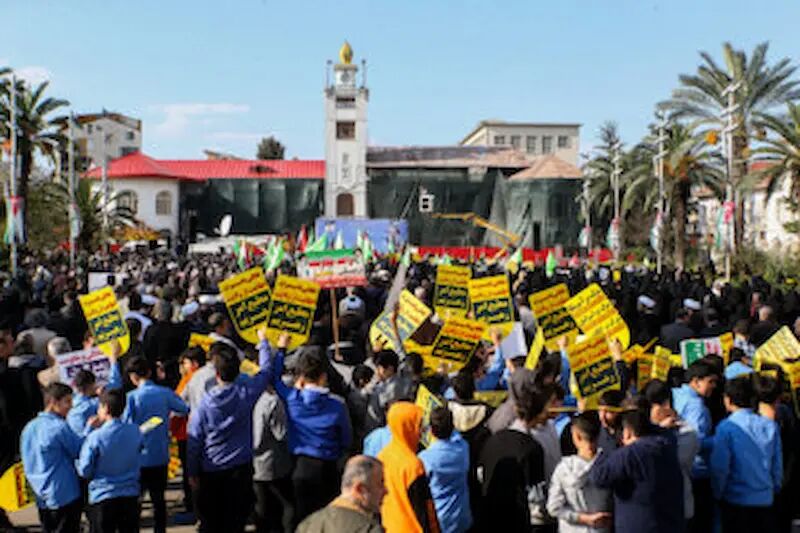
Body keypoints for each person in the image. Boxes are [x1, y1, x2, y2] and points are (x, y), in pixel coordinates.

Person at [186, 332, 276, 533]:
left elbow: (194, 442)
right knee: (236, 522)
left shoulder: (204, 407)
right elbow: (266, 371)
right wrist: (263, 343)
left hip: (211, 471)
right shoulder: (247, 393)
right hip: (240, 470)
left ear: (216, 374)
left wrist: (192, 472)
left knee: (212, 523)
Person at [264, 343, 352, 523]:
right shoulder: (337, 405)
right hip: (329, 466)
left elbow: (275, 378)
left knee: (304, 517)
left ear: (302, 376)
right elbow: (346, 438)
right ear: (324, 376)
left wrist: (281, 350)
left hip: (300, 466)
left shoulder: (292, 399)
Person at [477, 369, 551, 532]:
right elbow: (535, 495)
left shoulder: (495, 437)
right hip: (516, 519)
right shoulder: (531, 447)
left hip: (490, 514)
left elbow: (481, 474)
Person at [590, 408, 685, 533]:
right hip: (670, 524)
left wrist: (608, 447)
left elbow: (598, 476)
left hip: (638, 525)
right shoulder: (666, 446)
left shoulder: (630, 454)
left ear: (627, 432)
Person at [124, 356, 189, 533]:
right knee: (158, 500)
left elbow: (126, 424)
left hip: (138, 456)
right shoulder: (164, 392)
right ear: (150, 372)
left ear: (133, 377)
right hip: (160, 454)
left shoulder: (131, 398)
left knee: (136, 500)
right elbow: (184, 409)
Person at [710, 376, 782, 533]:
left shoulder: (726, 427)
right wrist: (775, 487)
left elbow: (720, 467)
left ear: (728, 400)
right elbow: (777, 465)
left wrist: (717, 492)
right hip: (764, 499)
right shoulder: (770, 425)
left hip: (736, 499)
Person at [77, 389, 143, 533]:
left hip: (103, 495)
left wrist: (88, 430)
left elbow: (84, 469)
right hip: (129, 493)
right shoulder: (135, 431)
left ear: (105, 408)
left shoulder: (95, 436)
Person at [20, 383, 84, 533]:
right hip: (64, 493)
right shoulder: (59, 427)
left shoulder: (29, 427)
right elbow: (79, 450)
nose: (71, 406)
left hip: (41, 494)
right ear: (53, 402)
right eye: (67, 401)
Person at [377, 401, 440, 533]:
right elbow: (424, 510)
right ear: (407, 427)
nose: (422, 430)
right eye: (417, 425)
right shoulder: (413, 465)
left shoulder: (382, 456)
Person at [641, 379, 699, 522]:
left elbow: (668, 462)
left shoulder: (687, 432)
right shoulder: (644, 428)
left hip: (675, 507)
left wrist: (660, 432)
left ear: (665, 405)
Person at [546, 412, 612, 533]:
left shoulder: (564, 469)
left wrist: (582, 518)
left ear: (576, 436)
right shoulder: (610, 464)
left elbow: (553, 507)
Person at [672, 359, 717, 533]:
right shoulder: (697, 407)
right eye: (710, 382)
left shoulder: (674, 394)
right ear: (696, 381)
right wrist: (719, 439)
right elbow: (697, 442)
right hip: (697, 470)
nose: (713, 387)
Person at [252, 361, 295, 533]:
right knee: (285, 505)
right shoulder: (273, 402)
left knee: (262, 507)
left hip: (256, 462)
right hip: (273, 461)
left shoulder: (250, 397)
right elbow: (281, 434)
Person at [297, 455, 387, 533]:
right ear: (360, 489)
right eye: (380, 483)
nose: (385, 491)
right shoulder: (368, 529)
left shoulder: (309, 525)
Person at [418, 406, 472, 533]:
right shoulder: (463, 448)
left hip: (440, 521)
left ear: (431, 430)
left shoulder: (425, 459)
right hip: (462, 517)